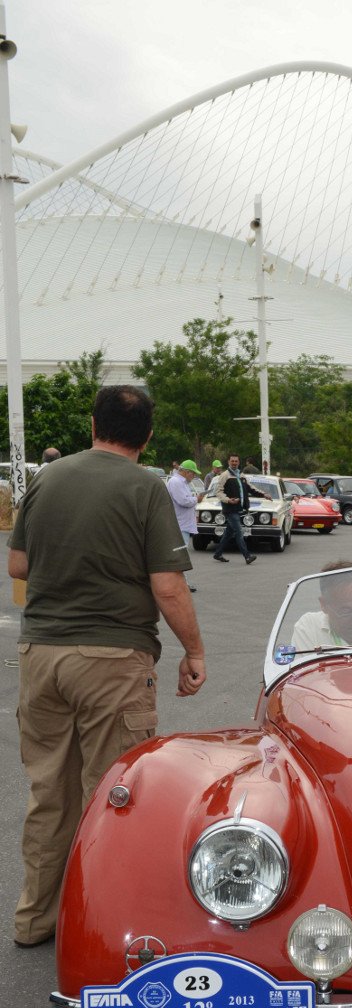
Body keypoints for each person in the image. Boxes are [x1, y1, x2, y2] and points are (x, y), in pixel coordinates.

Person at [7, 384, 206, 948]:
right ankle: (102, 927)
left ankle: (34, 920)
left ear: (92, 424)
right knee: (114, 793)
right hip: (112, 658)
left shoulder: (47, 478)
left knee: (51, 793)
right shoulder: (146, 489)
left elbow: (17, 563)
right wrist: (194, 650)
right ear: (147, 434)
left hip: (41, 655)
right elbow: (167, 586)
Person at [212, 453, 261, 564]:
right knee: (239, 532)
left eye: (236, 461)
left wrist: (264, 494)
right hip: (230, 509)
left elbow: (251, 488)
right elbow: (218, 492)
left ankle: (217, 554)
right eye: (232, 461)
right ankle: (247, 556)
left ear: (239, 463)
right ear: (228, 462)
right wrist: (228, 500)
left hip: (239, 509)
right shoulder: (225, 475)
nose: (234, 463)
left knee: (228, 533)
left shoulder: (241, 475)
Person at [167, 459, 204, 592]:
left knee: (181, 555)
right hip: (180, 524)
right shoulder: (176, 482)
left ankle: (181, 583)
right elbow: (183, 501)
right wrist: (196, 499)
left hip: (183, 524)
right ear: (187, 472)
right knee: (180, 556)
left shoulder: (181, 482)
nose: (194, 477)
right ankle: (181, 584)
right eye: (193, 474)